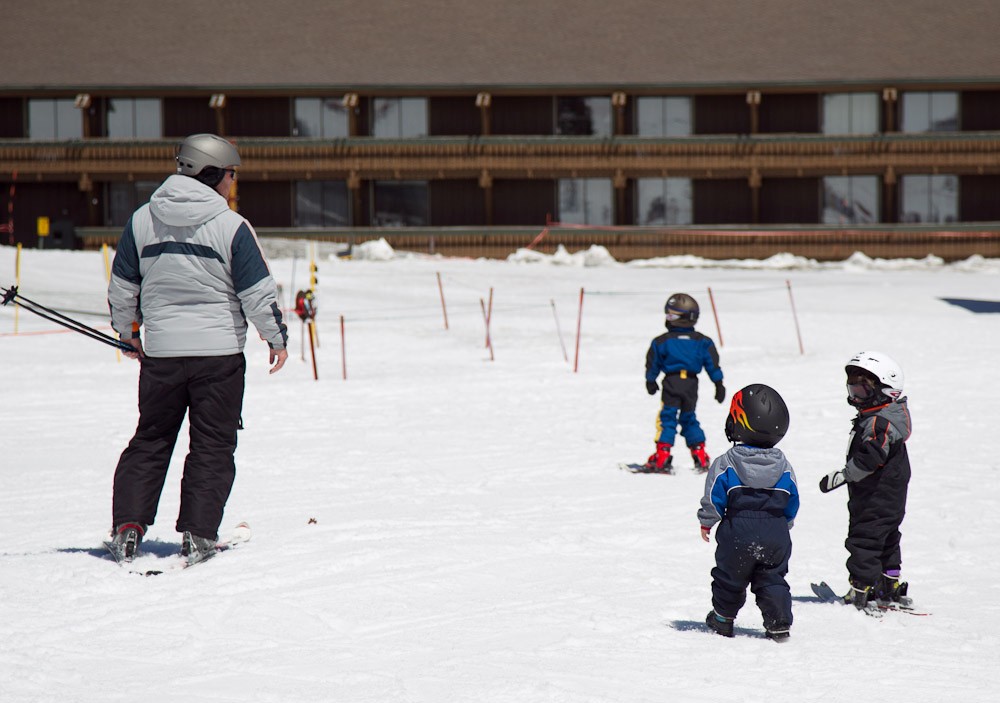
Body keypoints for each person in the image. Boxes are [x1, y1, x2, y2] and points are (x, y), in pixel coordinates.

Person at [106, 133, 288, 565]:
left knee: (150, 440)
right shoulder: (231, 226)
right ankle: (198, 536)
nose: (232, 182)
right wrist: (276, 338)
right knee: (212, 445)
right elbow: (258, 293)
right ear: (211, 173)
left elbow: (122, 288)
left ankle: (127, 529)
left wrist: (127, 332)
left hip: (162, 357)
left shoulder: (142, 220)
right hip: (219, 358)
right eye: (230, 174)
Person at [699, 384, 799, 641]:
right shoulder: (784, 465)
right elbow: (793, 500)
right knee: (773, 578)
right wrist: (784, 524)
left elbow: (714, 496)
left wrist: (707, 520)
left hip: (737, 532)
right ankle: (778, 623)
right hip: (775, 532)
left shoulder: (727, 462)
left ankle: (723, 618)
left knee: (730, 577)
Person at [819, 351, 912, 610]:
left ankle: (862, 588)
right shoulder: (887, 416)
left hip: (876, 495)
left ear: (886, 391)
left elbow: (870, 459)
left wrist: (842, 476)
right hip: (889, 494)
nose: (854, 397)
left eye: (861, 391)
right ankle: (888, 582)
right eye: (852, 389)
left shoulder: (879, 424)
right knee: (887, 535)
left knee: (865, 539)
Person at [643, 292, 725, 472]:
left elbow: (653, 362)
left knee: (667, 418)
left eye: (670, 315)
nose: (667, 318)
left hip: (671, 383)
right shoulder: (702, 341)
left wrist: (651, 381)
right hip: (691, 384)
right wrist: (718, 384)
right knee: (689, 418)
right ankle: (700, 453)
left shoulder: (662, 341)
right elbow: (712, 363)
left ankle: (662, 455)